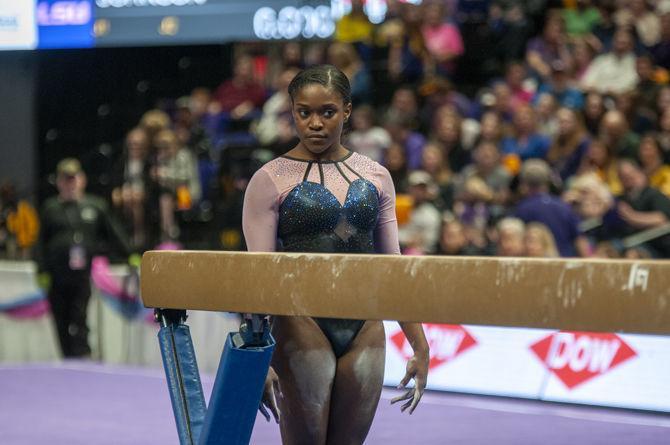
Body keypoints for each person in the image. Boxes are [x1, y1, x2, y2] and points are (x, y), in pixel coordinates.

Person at [242, 65, 429, 444]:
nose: (314, 123)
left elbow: (392, 267)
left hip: (364, 325)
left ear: (346, 110)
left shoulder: (375, 176)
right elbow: (256, 275)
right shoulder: (269, 179)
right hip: (300, 321)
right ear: (292, 111)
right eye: (303, 112)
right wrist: (256, 352)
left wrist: (419, 344)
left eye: (326, 112)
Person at [37, 158, 132, 358]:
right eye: (65, 179)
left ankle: (82, 354)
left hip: (82, 273)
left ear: (82, 180)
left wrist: (131, 254)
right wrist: (41, 271)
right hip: (57, 274)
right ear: (59, 182)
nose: (70, 183)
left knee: (79, 315)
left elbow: (114, 232)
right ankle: (66, 356)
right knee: (60, 317)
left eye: (73, 178)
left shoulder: (95, 206)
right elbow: (40, 242)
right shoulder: (50, 208)